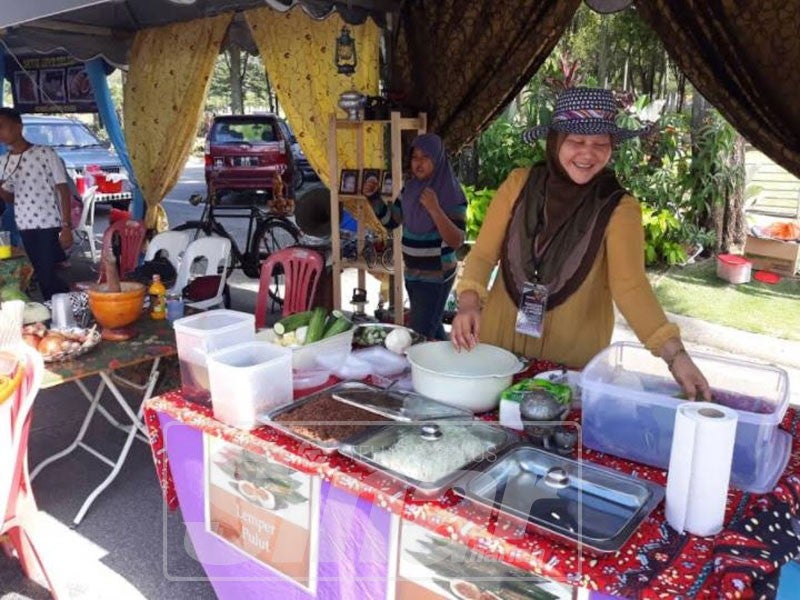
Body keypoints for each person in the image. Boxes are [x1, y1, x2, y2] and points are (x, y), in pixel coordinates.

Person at [451, 88, 711, 400]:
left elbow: (631, 288)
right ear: (556, 141)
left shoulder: (618, 207)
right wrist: (468, 303)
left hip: (568, 365)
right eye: (576, 141)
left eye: (601, 144)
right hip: (498, 351)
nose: (588, 154)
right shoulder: (519, 184)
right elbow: (482, 254)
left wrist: (675, 356)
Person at [364, 133, 466, 340]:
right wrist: (373, 198)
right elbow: (392, 221)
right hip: (413, 273)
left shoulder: (451, 194)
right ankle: (449, 366)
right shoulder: (410, 189)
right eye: (414, 157)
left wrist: (435, 209)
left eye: (425, 157)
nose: (418, 163)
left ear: (437, 159)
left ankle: (424, 369)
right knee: (432, 328)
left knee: (420, 332)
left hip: (437, 275)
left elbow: (457, 240)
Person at [0, 107, 72, 300]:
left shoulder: (45, 153)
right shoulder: (3, 161)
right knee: (40, 273)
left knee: (49, 275)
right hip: (24, 225)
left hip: (49, 223)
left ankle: (68, 307)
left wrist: (66, 226)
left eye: (2, 127)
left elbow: (63, 189)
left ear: (18, 126)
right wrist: (3, 189)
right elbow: (10, 199)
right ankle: (59, 311)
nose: (0, 133)